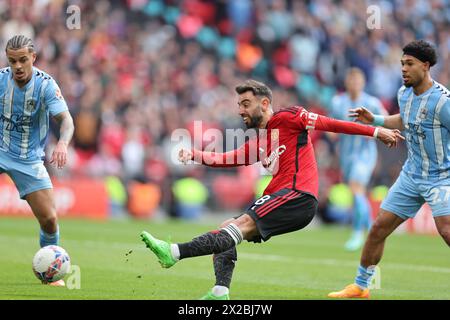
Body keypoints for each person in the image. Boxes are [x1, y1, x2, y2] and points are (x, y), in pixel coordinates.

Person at [140, 79, 403, 300]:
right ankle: (220, 291)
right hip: (284, 198)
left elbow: (330, 124)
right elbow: (225, 158)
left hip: (298, 195)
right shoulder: (260, 141)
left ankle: (174, 252)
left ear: (264, 103)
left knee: (238, 224)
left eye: (246, 104)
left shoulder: (290, 117)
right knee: (229, 225)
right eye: (239, 105)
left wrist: (376, 132)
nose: (241, 110)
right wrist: (194, 154)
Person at [328, 40, 450, 299]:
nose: (403, 69)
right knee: (378, 228)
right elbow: (406, 119)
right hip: (411, 174)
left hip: (441, 177)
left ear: (426, 66)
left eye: (409, 64)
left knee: (447, 231)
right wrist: (376, 120)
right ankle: (361, 287)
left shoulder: (443, 101)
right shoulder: (404, 94)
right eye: (402, 64)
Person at [0, 35, 74, 286]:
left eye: (23, 60)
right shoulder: (0, 80)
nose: (18, 66)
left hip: (28, 159)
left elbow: (66, 120)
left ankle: (51, 272)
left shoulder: (46, 85)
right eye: (12, 61)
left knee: (50, 219)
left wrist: (63, 143)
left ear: (33, 57)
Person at [329, 67, 387, 251]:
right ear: (347, 83)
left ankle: (358, 233)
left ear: (362, 83)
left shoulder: (371, 102)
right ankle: (371, 229)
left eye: (357, 81)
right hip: (346, 154)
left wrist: (375, 132)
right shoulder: (338, 102)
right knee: (357, 193)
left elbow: (385, 119)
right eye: (351, 81)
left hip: (365, 154)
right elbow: (331, 125)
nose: (354, 84)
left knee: (356, 187)